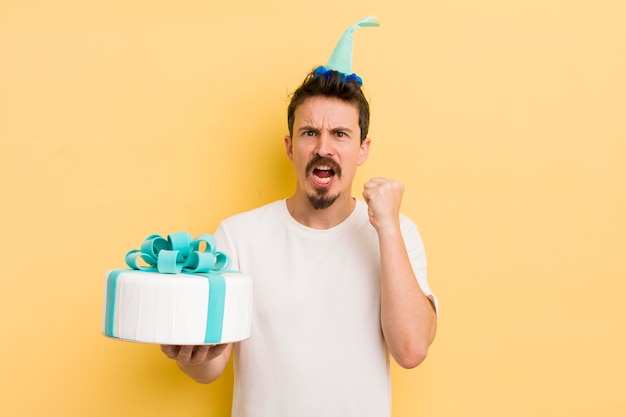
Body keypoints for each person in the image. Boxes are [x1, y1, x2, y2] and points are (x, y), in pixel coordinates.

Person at [161, 17, 438, 417]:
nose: (324, 148)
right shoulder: (238, 237)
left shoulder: (398, 234)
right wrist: (189, 352)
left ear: (362, 150)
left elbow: (411, 349)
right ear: (291, 147)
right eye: (310, 133)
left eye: (340, 135)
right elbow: (212, 367)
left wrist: (388, 228)